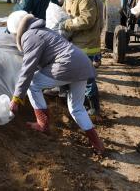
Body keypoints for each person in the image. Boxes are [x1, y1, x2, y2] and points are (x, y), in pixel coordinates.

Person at [8, 10, 105, 154]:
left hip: (67, 65)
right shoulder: (43, 30)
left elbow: (27, 69)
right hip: (82, 64)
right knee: (76, 107)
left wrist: (16, 98)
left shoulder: (30, 36)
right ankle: (96, 143)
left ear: (17, 30)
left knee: (33, 84)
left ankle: (43, 124)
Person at [60, 0, 102, 116]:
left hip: (87, 45)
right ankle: (78, 102)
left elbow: (87, 20)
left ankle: (94, 107)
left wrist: (66, 24)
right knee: (73, 74)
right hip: (75, 43)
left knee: (87, 78)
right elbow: (64, 13)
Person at [90, 0, 104, 68]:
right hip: (100, 24)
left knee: (93, 43)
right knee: (97, 42)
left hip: (95, 25)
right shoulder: (100, 1)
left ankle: (96, 59)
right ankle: (97, 59)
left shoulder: (93, 0)